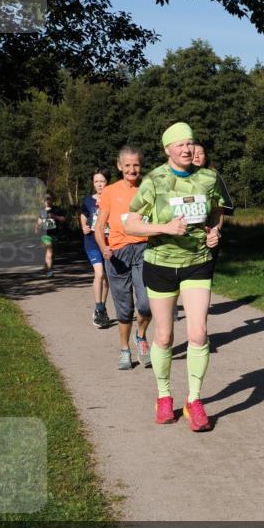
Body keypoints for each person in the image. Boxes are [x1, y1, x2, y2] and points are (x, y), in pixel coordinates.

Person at [126, 122, 223, 432]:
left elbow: (218, 211)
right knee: (165, 336)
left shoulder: (208, 178)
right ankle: (164, 396)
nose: (187, 148)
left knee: (198, 333)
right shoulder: (154, 181)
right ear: (167, 149)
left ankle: (194, 401)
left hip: (197, 262)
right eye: (180, 144)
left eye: (190, 143)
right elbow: (131, 224)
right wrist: (164, 228)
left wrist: (216, 231)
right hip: (161, 263)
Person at [94, 147, 152, 371]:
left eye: (135, 165)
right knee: (124, 308)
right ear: (119, 167)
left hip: (144, 248)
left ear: (141, 166)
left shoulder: (148, 188)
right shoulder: (109, 191)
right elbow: (99, 226)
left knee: (147, 304)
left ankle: (141, 337)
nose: (132, 169)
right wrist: (104, 247)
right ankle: (124, 350)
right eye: (127, 165)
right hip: (117, 253)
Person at [80, 168, 112, 328]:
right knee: (99, 273)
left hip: (108, 242)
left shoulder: (113, 199)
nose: (99, 185)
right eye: (96, 182)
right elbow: (84, 215)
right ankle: (99, 308)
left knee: (105, 277)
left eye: (102, 181)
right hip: (92, 242)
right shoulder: (88, 201)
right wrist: (84, 226)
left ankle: (102, 308)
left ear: (108, 182)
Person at [36, 193, 65, 277]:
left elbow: (63, 219)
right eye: (45, 199)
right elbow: (39, 222)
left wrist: (54, 216)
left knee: (53, 253)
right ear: (42, 201)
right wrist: (37, 227)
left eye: (49, 199)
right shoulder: (42, 211)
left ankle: (48, 266)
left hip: (55, 234)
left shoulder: (56, 209)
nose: (47, 201)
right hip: (45, 234)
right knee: (50, 252)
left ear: (52, 200)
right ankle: (49, 271)